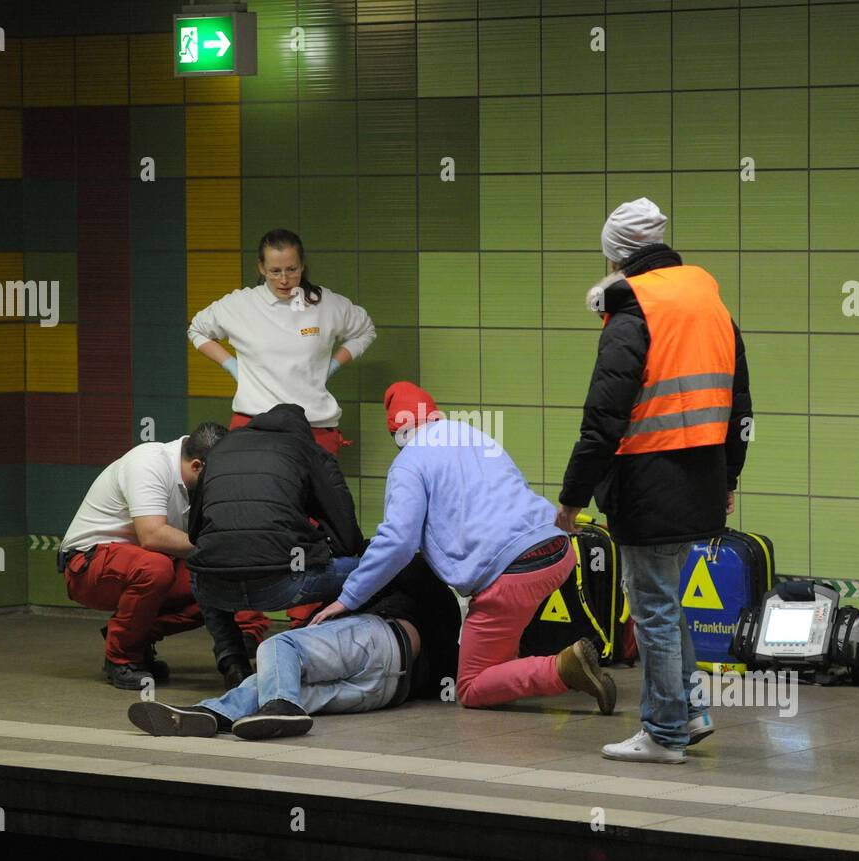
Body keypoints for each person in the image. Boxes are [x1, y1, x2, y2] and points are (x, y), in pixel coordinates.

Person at [558, 197, 752, 764]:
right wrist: (730, 475)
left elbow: (603, 416)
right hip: (700, 476)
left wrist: (572, 495)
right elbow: (741, 403)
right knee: (669, 604)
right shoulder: (711, 303)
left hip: (648, 476)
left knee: (654, 608)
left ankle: (664, 732)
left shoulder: (634, 312)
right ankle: (688, 714)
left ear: (616, 257)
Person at [310, 382, 617, 715]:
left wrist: (348, 597)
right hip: (557, 548)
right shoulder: (473, 435)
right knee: (499, 648)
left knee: (470, 685)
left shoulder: (409, 463)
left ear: (398, 433)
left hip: (510, 573)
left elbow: (398, 541)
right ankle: (524, 670)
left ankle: (563, 669)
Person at [187, 228, 377, 635]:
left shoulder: (325, 305)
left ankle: (304, 623)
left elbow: (364, 328)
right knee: (247, 518)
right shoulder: (239, 305)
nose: (284, 278)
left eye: (291, 269)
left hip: (313, 426)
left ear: (302, 266)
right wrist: (232, 367)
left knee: (313, 523)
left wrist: (333, 366)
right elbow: (197, 329)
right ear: (261, 268)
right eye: (275, 271)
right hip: (254, 425)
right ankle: (249, 625)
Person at [127, 556, 461, 740]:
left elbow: (376, 565)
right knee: (284, 688)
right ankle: (216, 714)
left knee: (280, 645)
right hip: (388, 690)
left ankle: (267, 707)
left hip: (379, 638)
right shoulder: (449, 605)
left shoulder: (406, 566)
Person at [185, 403, 365, 689]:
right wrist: (315, 544)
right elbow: (347, 538)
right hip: (283, 584)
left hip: (216, 587)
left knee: (200, 569)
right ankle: (316, 659)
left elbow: (195, 534)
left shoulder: (221, 450)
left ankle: (233, 662)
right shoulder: (309, 451)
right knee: (367, 571)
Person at [59, 422, 228, 689]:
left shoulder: (197, 481)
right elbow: (152, 536)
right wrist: (216, 548)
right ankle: (120, 659)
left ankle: (132, 638)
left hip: (135, 563)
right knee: (156, 567)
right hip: (87, 564)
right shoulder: (148, 462)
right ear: (197, 466)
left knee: (216, 585)